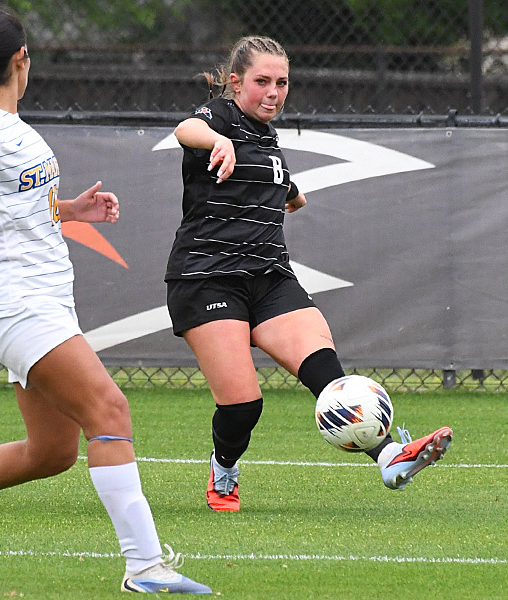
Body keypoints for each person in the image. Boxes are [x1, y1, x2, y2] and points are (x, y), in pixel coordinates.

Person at [0, 6, 211, 594]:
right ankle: (145, 566)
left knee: (51, 452)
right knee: (110, 412)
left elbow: (11, 204)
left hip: (42, 300)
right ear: (21, 58)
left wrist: (71, 211)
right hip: (18, 303)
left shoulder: (11, 128)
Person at [164, 36, 453, 512]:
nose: (273, 92)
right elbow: (185, 130)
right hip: (207, 278)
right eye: (261, 82)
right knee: (242, 406)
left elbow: (279, 185)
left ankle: (389, 458)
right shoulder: (221, 117)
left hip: (269, 277)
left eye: (282, 83)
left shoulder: (267, 138)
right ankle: (224, 471)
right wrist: (218, 141)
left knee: (331, 379)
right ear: (235, 83)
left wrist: (292, 195)